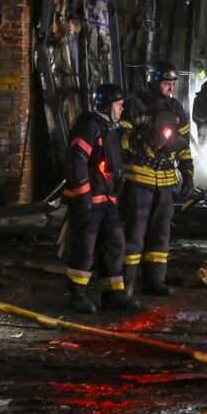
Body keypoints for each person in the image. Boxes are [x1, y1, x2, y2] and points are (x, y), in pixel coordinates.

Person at [61, 83, 139, 313]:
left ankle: (113, 295)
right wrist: (84, 195)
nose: (122, 108)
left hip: (107, 200)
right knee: (84, 248)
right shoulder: (90, 126)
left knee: (115, 246)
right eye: (119, 104)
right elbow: (76, 160)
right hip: (90, 201)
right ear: (107, 105)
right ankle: (76, 296)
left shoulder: (109, 128)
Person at [120, 60, 194, 296]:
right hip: (138, 178)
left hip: (164, 182)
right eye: (166, 83)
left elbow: (183, 146)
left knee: (160, 234)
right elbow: (119, 138)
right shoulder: (135, 104)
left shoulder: (176, 109)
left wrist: (188, 173)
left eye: (173, 83)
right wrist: (142, 141)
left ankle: (154, 280)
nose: (170, 88)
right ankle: (125, 284)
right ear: (153, 81)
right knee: (134, 234)